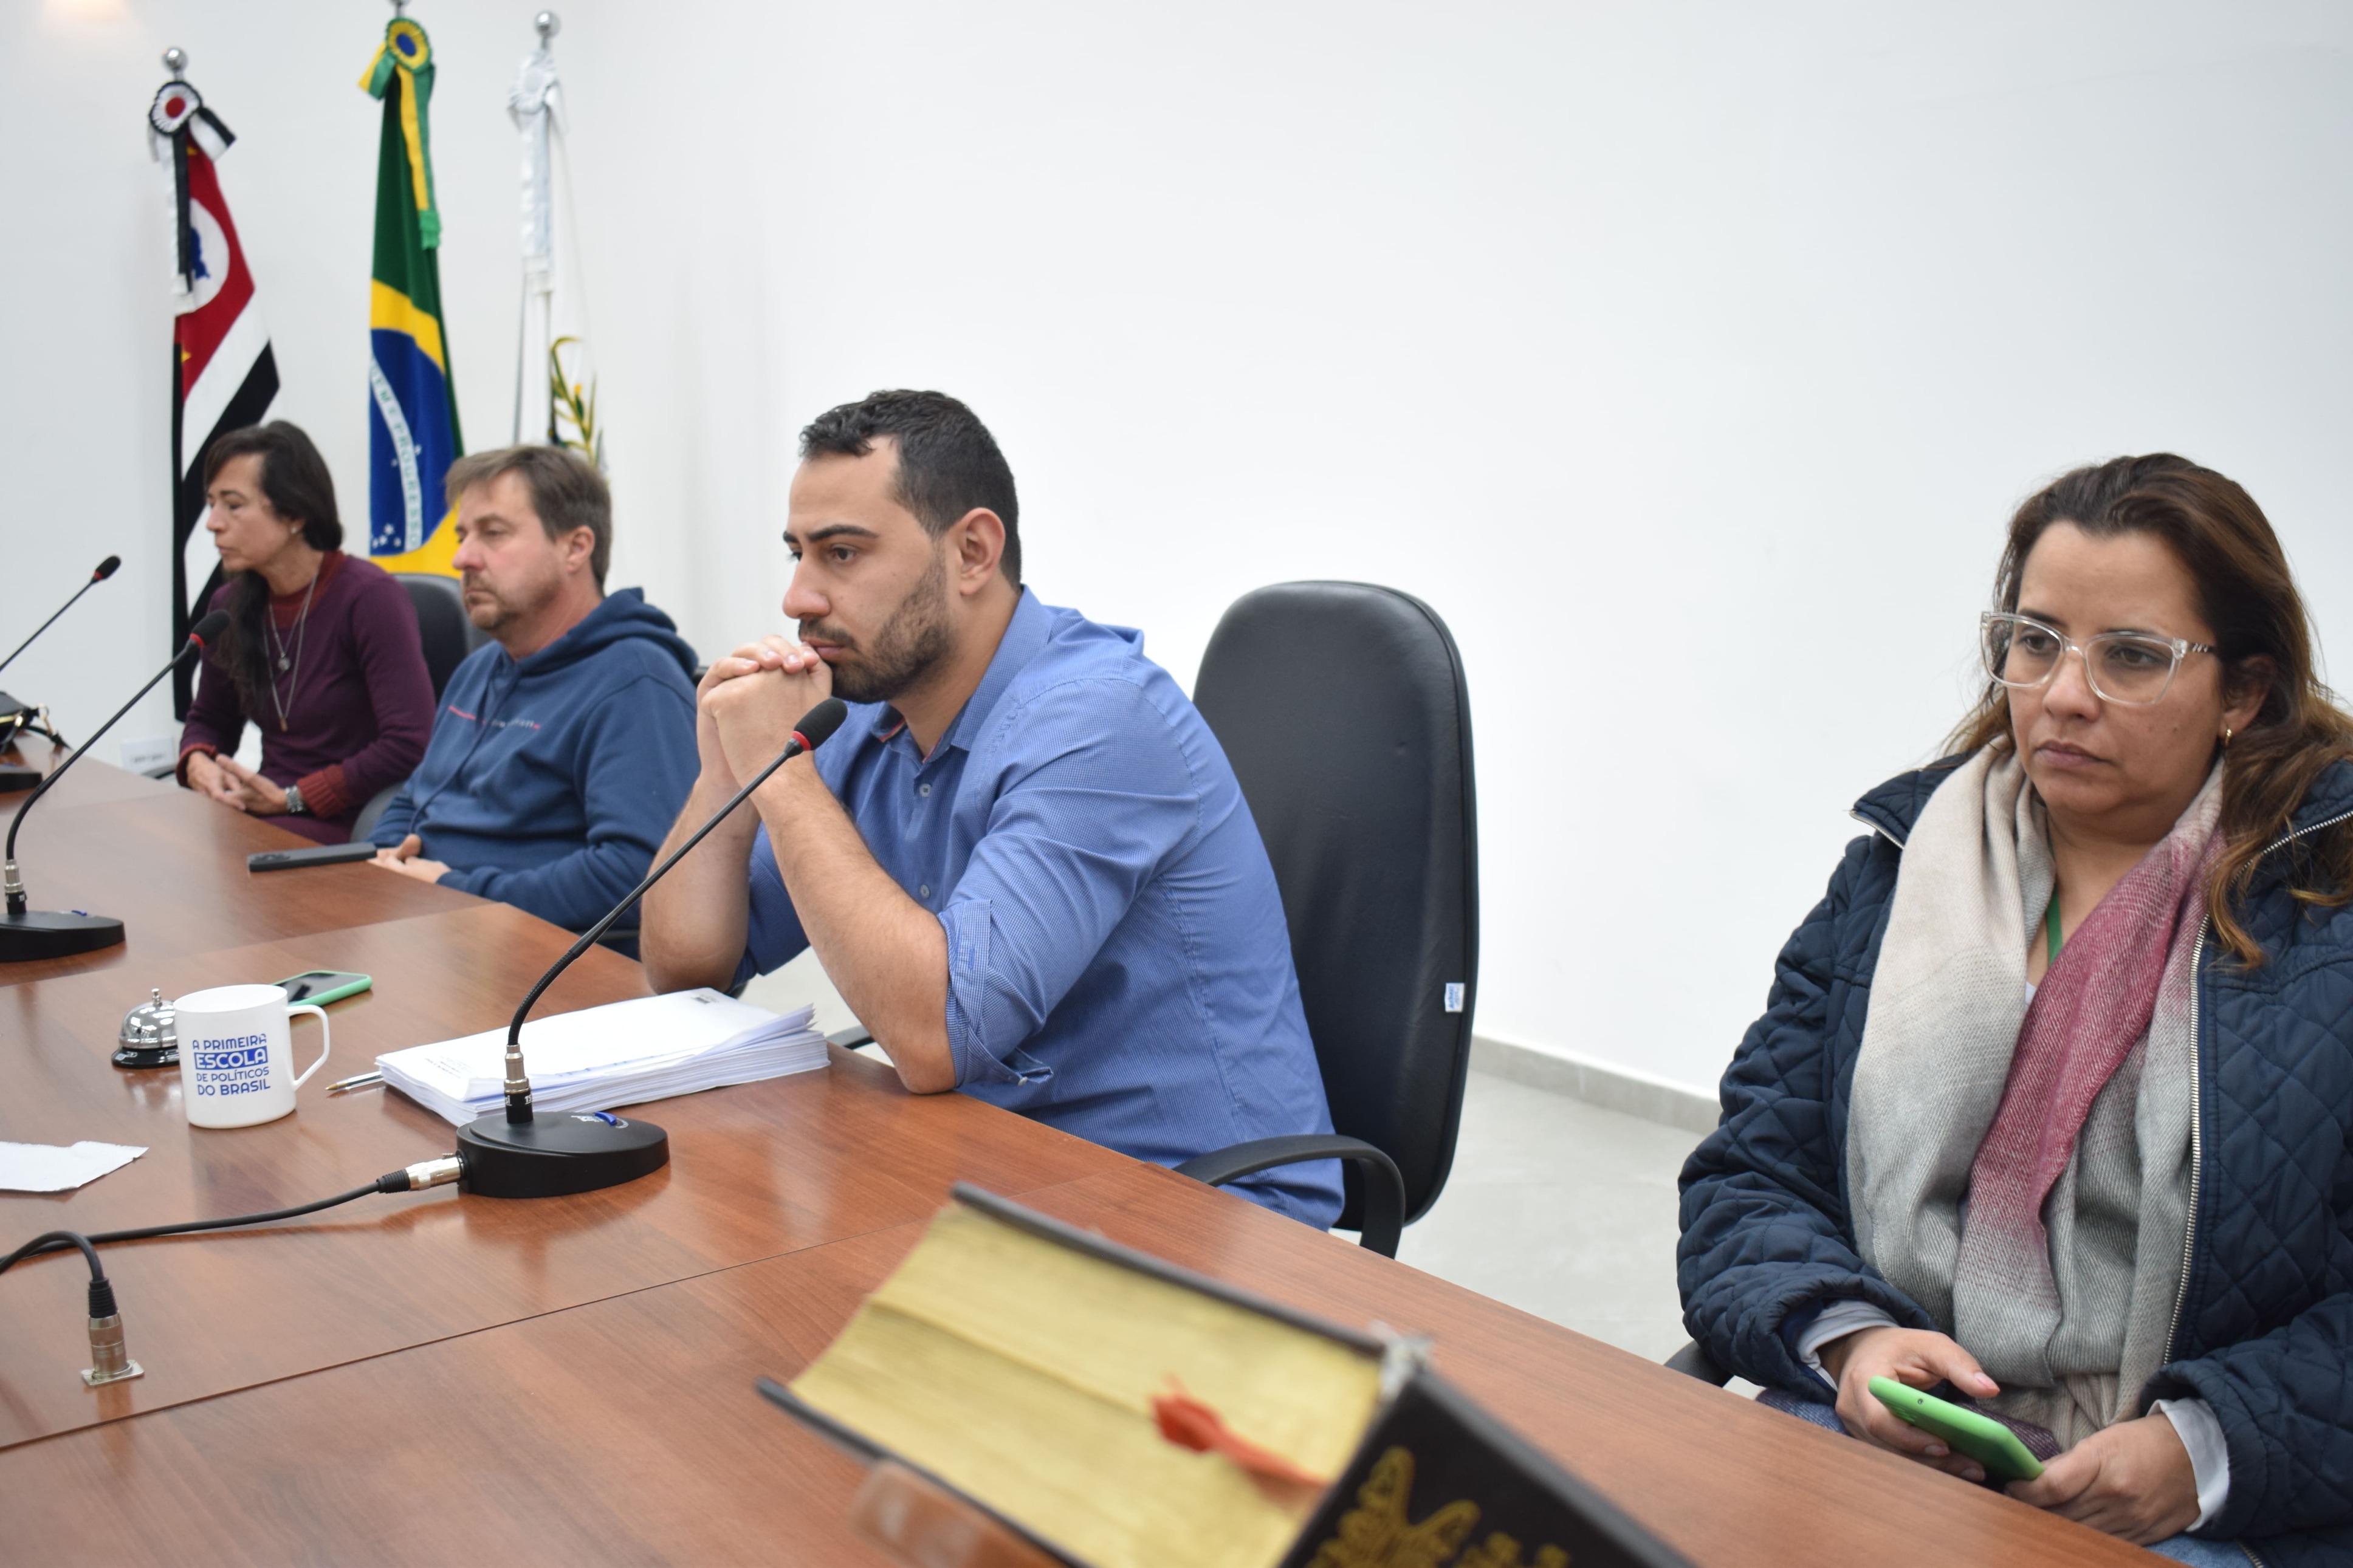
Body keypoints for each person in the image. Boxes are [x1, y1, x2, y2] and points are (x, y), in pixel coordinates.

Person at [1677, 455, 2353, 1564]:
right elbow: (1748, 1171)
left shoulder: (2327, 915)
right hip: (1878, 1445)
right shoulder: (1897, 872)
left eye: (2132, 657)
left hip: (2200, 1512)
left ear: (2243, 692)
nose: (2063, 694)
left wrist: (2204, 1444)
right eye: (2035, 641)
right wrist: (1848, 1342)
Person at [639, 390, 1342, 1227]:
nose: (798, 597)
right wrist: (727, 773)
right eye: (797, 553)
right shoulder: (863, 716)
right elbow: (687, 970)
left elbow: (937, 1037)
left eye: (842, 554)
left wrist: (784, 782)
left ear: (973, 551)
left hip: (1202, 1215)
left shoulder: (1098, 719)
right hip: (999, 1172)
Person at [369, 445, 698, 936]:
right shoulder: (480, 667)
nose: (462, 558)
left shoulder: (635, 681)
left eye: (493, 534)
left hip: (545, 963)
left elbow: (639, 874)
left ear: (575, 548)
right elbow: (415, 795)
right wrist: (385, 859)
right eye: (463, 536)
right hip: (439, 931)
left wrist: (460, 890)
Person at [177, 422, 435, 846]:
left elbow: (410, 743)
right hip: (262, 811)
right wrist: (199, 762)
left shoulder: (370, 599)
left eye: (233, 505)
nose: (212, 523)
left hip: (358, 820)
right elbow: (210, 719)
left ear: (295, 514)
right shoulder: (229, 605)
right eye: (211, 503)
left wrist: (295, 798)